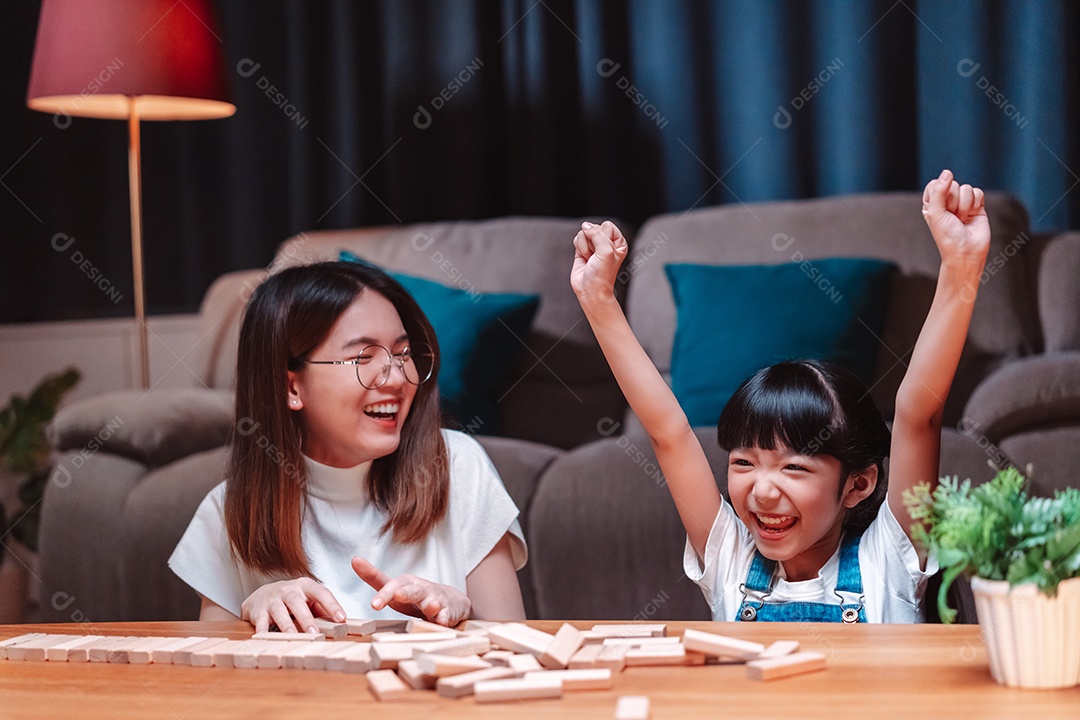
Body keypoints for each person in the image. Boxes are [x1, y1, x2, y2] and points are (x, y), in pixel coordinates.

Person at [570, 169, 990, 622]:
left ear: (858, 484)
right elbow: (669, 432)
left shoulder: (888, 561)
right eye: (744, 463)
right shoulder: (730, 561)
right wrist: (598, 299)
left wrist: (961, 267)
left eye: (794, 467)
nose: (763, 492)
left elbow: (918, 414)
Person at [169, 260, 527, 633]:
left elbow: (519, 654)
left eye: (403, 354)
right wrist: (252, 616)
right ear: (291, 387)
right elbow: (214, 680)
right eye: (362, 357)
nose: (396, 377)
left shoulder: (459, 466)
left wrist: (460, 619)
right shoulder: (227, 513)